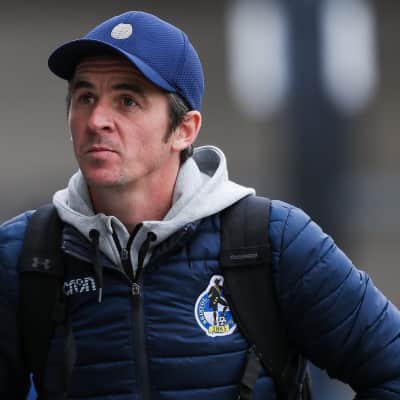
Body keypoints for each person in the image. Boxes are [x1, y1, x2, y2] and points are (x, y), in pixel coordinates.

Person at [0, 10, 399, 400]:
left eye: (127, 101)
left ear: (184, 129)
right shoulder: (24, 256)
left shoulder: (274, 242)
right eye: (85, 97)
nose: (96, 120)